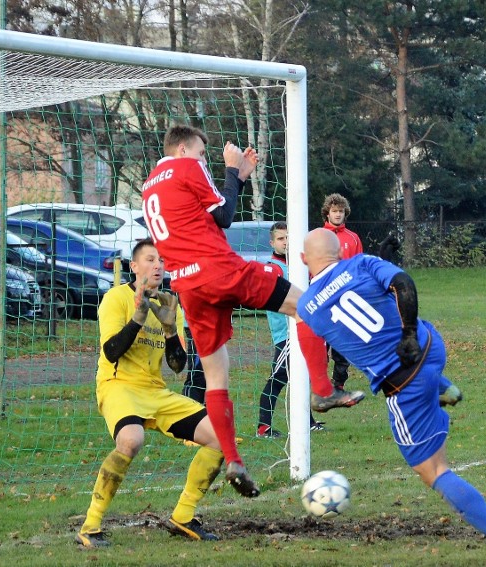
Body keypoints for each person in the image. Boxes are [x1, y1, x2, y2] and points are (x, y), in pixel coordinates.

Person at [140, 124, 365, 499]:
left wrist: (240, 178)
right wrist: (231, 169)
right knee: (306, 306)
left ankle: (233, 459)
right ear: (181, 149)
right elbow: (225, 216)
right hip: (219, 270)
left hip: (187, 286)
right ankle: (323, 391)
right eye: (199, 154)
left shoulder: (150, 185)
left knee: (216, 374)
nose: (202, 161)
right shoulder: (186, 167)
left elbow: (206, 218)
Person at [297, 228, 486, 566]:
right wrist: (408, 334)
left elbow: (320, 329)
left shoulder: (307, 307)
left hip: (404, 384)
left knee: (433, 471)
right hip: (430, 348)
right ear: (340, 252)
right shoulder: (362, 262)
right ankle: (445, 387)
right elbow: (402, 283)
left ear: (304, 260)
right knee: (411, 325)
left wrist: (324, 391)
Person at [76, 239, 225, 548]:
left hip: (155, 391)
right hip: (118, 386)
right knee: (131, 440)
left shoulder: (170, 304)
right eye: (150, 259)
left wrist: (170, 330)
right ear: (134, 266)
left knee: (220, 435)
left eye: (161, 260)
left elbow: (179, 365)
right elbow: (112, 351)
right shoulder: (116, 298)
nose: (158, 265)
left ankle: (182, 517)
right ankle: (89, 527)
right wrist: (138, 318)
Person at [257, 222, 325, 438]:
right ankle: (263, 426)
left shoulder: (297, 266)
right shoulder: (274, 267)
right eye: (280, 239)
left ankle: (308, 422)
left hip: (302, 329)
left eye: (288, 238)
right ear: (272, 243)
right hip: (286, 334)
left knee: (301, 378)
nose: (285, 242)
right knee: (278, 379)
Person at [321, 193, 363, 393]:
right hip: (322, 301)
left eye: (341, 211)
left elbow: (359, 267)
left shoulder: (353, 238)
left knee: (342, 346)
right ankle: (318, 384)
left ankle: (338, 384)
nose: (338, 215)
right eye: (334, 211)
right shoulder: (318, 236)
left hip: (344, 300)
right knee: (320, 346)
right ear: (327, 213)